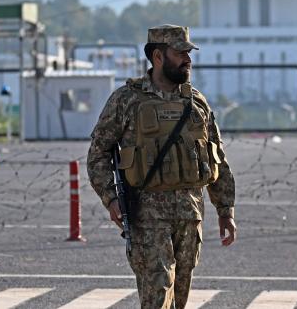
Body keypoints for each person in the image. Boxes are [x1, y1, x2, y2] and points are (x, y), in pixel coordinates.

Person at [87, 24, 236, 309]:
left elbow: (216, 156)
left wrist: (225, 209)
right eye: (180, 53)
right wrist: (111, 198)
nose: (188, 60)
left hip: (189, 215)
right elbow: (98, 153)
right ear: (158, 57)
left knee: (178, 299)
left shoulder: (196, 103)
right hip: (147, 216)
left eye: (188, 53)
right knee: (158, 294)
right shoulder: (127, 100)